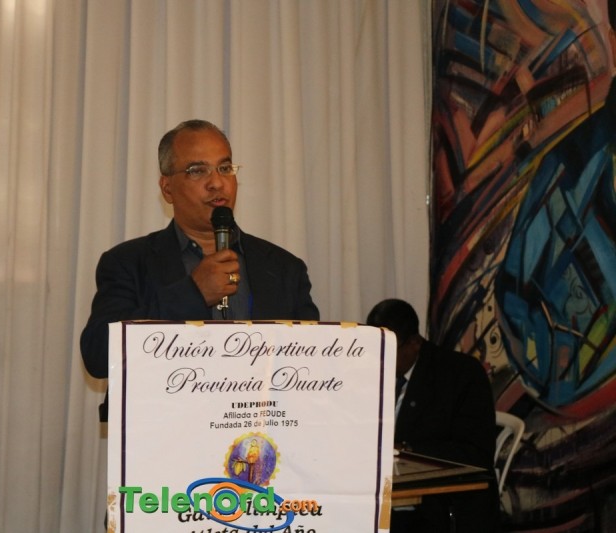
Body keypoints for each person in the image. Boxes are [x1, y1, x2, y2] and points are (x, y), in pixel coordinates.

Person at [81, 119, 320, 420]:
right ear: (167, 188)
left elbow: (312, 365)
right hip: (167, 434)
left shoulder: (284, 268)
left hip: (260, 435)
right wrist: (193, 294)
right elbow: (99, 355)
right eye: (197, 170)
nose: (217, 183)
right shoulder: (128, 262)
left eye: (225, 168)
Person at [366, 298, 499, 533]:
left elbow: (476, 453)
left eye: (388, 350)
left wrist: (406, 450)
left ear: (414, 343)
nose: (380, 358)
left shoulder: (461, 375)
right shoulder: (367, 373)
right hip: (384, 502)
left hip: (439, 508)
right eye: (375, 348)